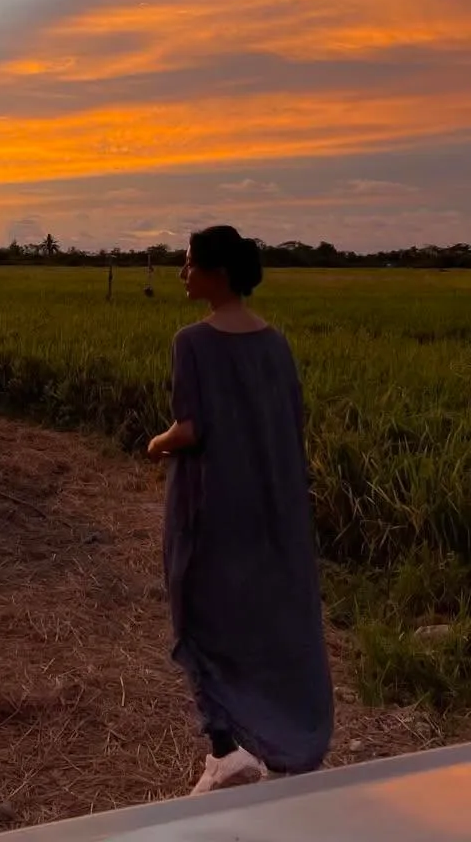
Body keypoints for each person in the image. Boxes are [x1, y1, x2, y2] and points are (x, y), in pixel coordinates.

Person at [147, 225, 333, 796]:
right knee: (264, 620)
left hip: (210, 504)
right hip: (270, 503)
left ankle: (226, 748)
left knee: (201, 615)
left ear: (217, 273)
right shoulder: (274, 342)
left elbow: (190, 430)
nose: (182, 274)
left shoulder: (193, 342)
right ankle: (276, 740)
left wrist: (156, 443)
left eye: (188, 263)